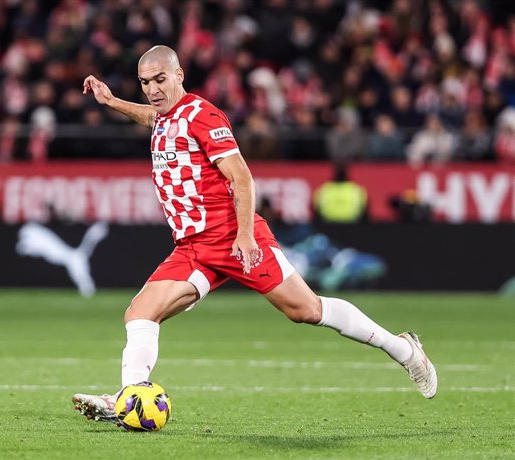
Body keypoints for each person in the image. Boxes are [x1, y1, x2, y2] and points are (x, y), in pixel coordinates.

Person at [73, 45, 437, 425]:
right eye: (145, 82)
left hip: (232, 236)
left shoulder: (203, 115)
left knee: (307, 310)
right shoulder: (165, 116)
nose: (152, 89)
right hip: (194, 247)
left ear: (180, 75)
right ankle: (130, 397)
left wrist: (245, 236)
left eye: (160, 80)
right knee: (140, 313)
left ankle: (404, 350)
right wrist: (112, 101)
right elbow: (151, 115)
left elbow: (242, 177)